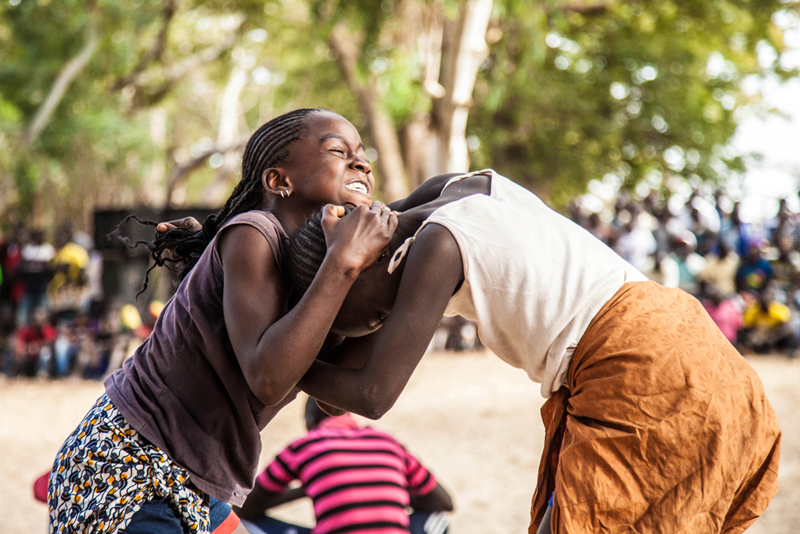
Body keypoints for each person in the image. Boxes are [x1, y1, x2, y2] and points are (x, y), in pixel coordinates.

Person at [287, 169, 781, 534]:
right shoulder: (459, 188)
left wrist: (276, 360)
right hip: (691, 342)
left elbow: (370, 395)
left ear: (360, 265)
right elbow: (338, 395)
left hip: (641, 367)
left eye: (359, 317)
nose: (373, 327)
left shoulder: (438, 246)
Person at [48, 108, 402, 534]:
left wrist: (376, 280)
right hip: (127, 467)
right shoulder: (252, 232)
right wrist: (343, 264)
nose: (361, 163)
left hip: (197, 484)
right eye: (338, 151)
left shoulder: (317, 275)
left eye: (363, 156)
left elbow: (340, 398)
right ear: (278, 181)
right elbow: (269, 379)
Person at [236, 397, 453, 534]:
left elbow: (245, 506)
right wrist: (383, 489)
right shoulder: (387, 442)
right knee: (436, 521)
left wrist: (302, 491)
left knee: (244, 523)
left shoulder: (305, 446)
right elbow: (443, 502)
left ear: (310, 418)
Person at [741, 280, 797, 358]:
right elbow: (746, 328)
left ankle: (789, 352)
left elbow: (787, 329)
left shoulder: (779, 309)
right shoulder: (752, 309)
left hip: (772, 336)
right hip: (758, 336)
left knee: (789, 329)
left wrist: (772, 338)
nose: (766, 299)